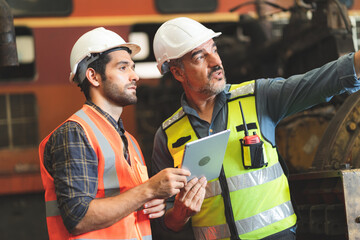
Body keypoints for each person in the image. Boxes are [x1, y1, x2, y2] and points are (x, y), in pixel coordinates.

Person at [150, 17, 360, 240]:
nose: (216, 62)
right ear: (178, 73)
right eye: (200, 57)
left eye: (214, 50)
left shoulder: (258, 97)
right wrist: (180, 215)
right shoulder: (167, 136)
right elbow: (164, 223)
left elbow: (319, 82)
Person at [38, 27, 191, 240]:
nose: (135, 76)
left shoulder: (129, 140)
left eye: (133, 68)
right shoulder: (74, 133)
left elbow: (126, 201)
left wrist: (151, 202)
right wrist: (148, 190)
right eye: (123, 68)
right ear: (93, 76)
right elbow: (78, 218)